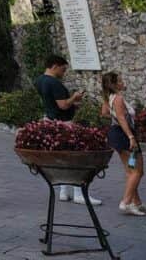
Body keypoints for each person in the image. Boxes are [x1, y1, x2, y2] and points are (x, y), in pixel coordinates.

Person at [36, 55, 101, 206]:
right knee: (75, 157)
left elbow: (51, 103)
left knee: (61, 157)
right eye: (63, 69)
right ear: (54, 66)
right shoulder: (54, 83)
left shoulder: (39, 81)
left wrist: (71, 103)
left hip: (50, 120)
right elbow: (63, 105)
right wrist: (74, 98)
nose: (63, 72)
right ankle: (79, 193)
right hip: (63, 123)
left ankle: (64, 192)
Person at [102, 72, 146, 215]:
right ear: (114, 84)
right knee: (138, 171)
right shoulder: (118, 98)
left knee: (130, 171)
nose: (122, 82)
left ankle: (136, 203)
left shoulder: (109, 97)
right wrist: (130, 137)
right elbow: (121, 118)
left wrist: (116, 116)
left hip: (117, 134)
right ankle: (126, 202)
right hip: (123, 136)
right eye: (120, 80)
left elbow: (104, 113)